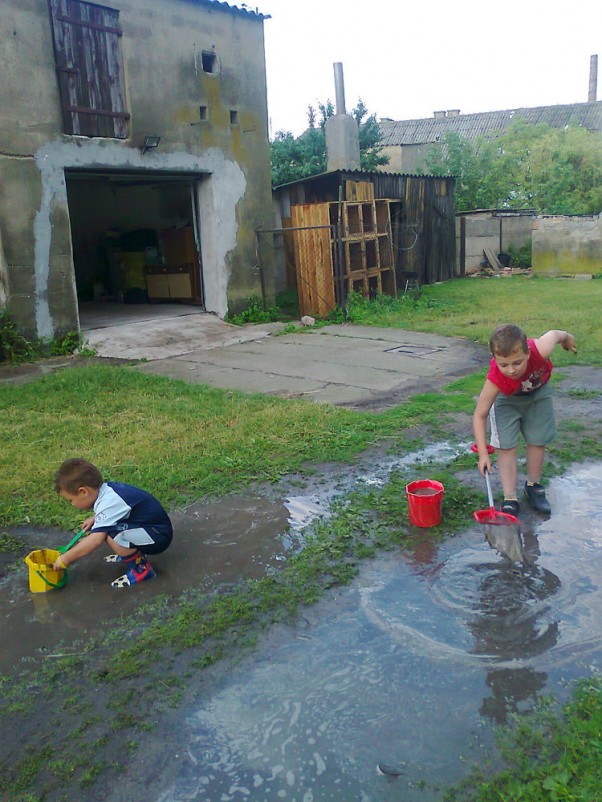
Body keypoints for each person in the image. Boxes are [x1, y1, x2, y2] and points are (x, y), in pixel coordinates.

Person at [473, 324, 577, 516]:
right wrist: (483, 454)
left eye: (517, 363)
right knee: (506, 446)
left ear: (528, 353)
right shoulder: (497, 379)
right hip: (507, 400)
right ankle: (510, 498)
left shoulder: (541, 349)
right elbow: (480, 414)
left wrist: (568, 338)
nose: (511, 370)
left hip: (538, 393)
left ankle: (533, 486)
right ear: (495, 360)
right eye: (504, 364)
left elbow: (555, 333)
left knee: (538, 440)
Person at [52, 458, 173, 588]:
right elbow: (118, 510)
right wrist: (95, 518)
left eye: (71, 500)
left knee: (110, 532)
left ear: (83, 492)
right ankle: (129, 553)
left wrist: (65, 559)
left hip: (158, 536)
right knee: (105, 527)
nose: (72, 504)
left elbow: (95, 541)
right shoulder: (107, 490)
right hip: (150, 529)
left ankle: (141, 570)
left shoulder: (109, 501)